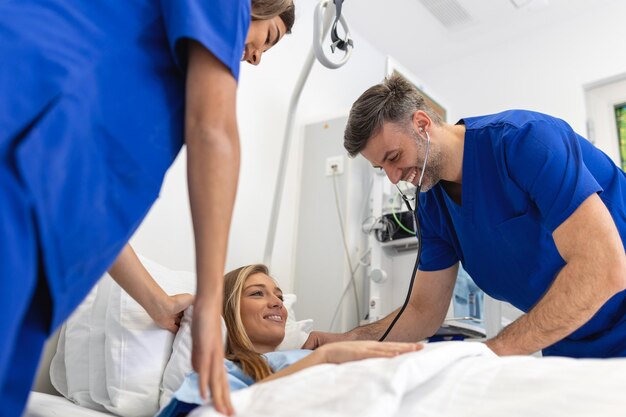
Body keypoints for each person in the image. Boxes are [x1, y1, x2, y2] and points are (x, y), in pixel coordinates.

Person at [0, 1, 295, 416]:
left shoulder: (151, 73)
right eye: (267, 38)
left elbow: (91, 211)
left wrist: (155, 302)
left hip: (56, 224)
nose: (257, 57)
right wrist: (210, 306)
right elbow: (213, 132)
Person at [304, 73, 626, 359]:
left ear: (422, 124)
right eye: (381, 168)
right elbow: (422, 311)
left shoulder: (524, 141)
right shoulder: (432, 206)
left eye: (394, 157)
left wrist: (491, 354)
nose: (393, 177)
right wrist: (348, 342)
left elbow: (605, 265)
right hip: (570, 337)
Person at [158, 264, 422, 416]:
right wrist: (324, 357)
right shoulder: (223, 370)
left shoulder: (304, 354)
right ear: (228, 310)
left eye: (280, 298)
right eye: (257, 294)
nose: (276, 303)